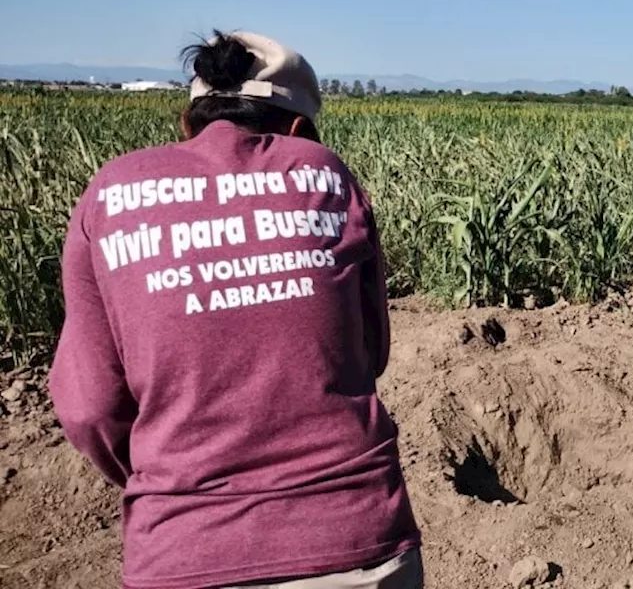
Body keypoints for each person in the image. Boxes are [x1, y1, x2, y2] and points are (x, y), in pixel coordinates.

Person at [49, 31, 422, 589]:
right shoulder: (324, 173)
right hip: (353, 539)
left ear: (187, 122)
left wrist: (173, 479)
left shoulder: (109, 193)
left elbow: (90, 407)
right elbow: (371, 349)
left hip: (181, 552)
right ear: (298, 129)